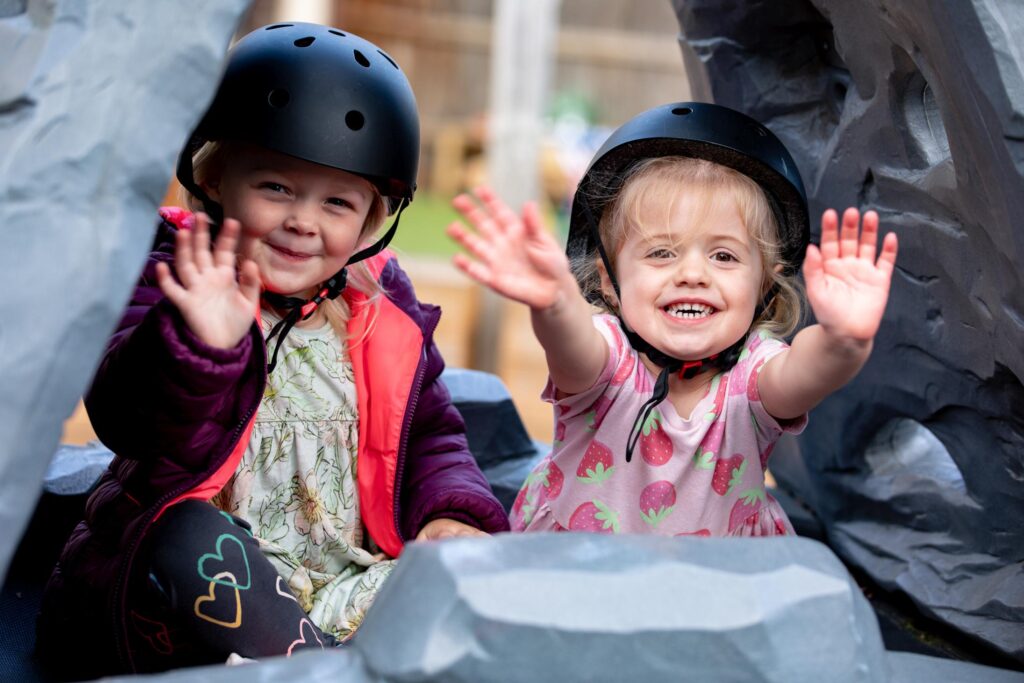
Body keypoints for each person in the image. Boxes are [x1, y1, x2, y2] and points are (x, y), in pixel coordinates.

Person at [36, 22, 508, 678]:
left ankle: (341, 661)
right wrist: (198, 341)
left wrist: (454, 516)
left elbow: (432, 437)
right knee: (187, 535)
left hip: (340, 584)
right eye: (276, 187)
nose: (302, 220)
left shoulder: (377, 309)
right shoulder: (177, 277)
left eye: (337, 201)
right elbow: (128, 418)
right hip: (192, 596)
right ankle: (330, 670)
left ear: (373, 218)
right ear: (216, 177)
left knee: (474, 568)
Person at [447, 102, 897, 537]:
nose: (693, 274)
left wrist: (844, 340)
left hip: (714, 589)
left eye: (724, 256)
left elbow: (806, 372)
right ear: (609, 281)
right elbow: (572, 348)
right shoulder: (607, 360)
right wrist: (554, 302)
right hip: (579, 578)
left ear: (763, 287)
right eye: (661, 253)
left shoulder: (754, 378)